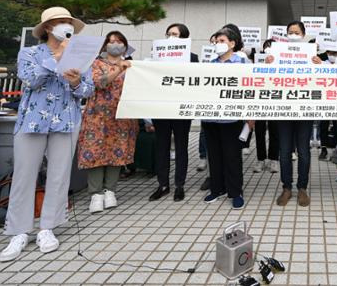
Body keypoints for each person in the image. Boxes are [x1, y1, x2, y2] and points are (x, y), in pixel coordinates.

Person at [0, 7, 94, 262]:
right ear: (47, 28)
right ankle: (19, 231)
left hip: (66, 121)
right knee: (23, 175)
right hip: (32, 121)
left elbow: (87, 90)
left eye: (68, 22)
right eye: (60, 22)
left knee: (59, 176)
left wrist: (76, 81)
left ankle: (47, 228)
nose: (65, 26)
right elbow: (31, 80)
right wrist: (57, 58)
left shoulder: (80, 55)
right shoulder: (29, 53)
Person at [77, 31, 137, 213]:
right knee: (95, 151)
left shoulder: (132, 65)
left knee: (117, 151)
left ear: (125, 45)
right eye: (111, 42)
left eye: (119, 41)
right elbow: (100, 83)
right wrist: (119, 68)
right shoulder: (95, 63)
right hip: (98, 115)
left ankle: (110, 190)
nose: (115, 44)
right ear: (104, 46)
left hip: (122, 115)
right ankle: (95, 193)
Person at [202, 28, 253, 209]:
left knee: (232, 156)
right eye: (215, 41)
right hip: (210, 119)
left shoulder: (243, 63)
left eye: (222, 40)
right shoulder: (208, 64)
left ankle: (235, 191)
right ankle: (217, 189)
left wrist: (250, 115)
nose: (218, 44)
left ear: (232, 43)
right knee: (214, 156)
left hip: (232, 119)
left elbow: (250, 90)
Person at [266, 21, 315, 206]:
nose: (293, 34)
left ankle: (302, 187)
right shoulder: (277, 53)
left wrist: (318, 64)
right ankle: (286, 187)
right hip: (284, 108)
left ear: (303, 34)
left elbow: (322, 78)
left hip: (304, 109)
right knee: (285, 151)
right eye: (290, 32)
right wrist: (268, 63)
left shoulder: (311, 54)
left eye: (296, 32)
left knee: (303, 150)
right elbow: (267, 78)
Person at [148, 23, 198, 202]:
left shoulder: (192, 58)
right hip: (161, 108)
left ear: (184, 38)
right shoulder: (156, 56)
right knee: (161, 147)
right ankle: (163, 184)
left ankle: (179, 185)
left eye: (175, 34)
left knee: (181, 147)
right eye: (168, 34)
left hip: (181, 109)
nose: (171, 37)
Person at [253, 39, 279, 174]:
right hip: (260, 102)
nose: (268, 49)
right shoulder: (258, 61)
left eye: (272, 47)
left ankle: (274, 159)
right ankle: (261, 159)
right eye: (266, 47)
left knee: (275, 131)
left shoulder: (280, 62)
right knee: (259, 131)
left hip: (275, 101)